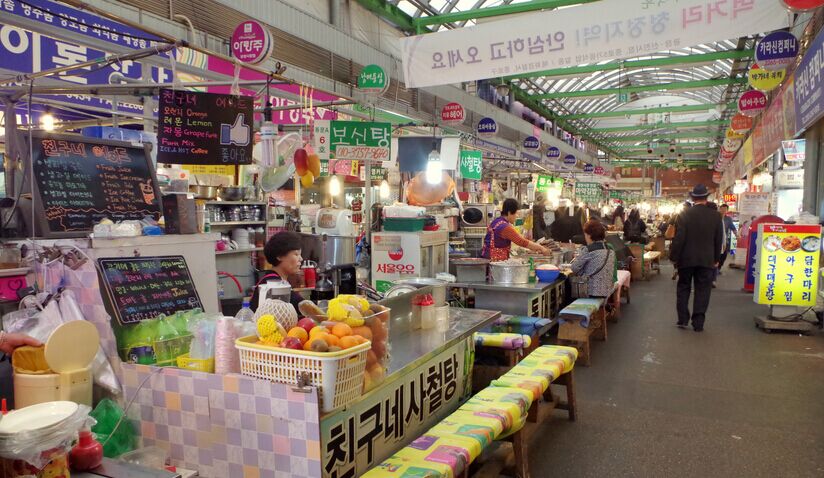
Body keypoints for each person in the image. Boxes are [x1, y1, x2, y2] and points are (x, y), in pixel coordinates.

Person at [669, 184, 723, 332]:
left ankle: (683, 319)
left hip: (686, 259)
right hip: (707, 259)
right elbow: (718, 239)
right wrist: (716, 259)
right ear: (706, 198)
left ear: (693, 198)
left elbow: (679, 238)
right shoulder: (716, 216)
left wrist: (674, 256)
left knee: (683, 287)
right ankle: (698, 323)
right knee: (703, 290)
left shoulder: (684, 214)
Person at [251, 231, 305, 313]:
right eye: (296, 254)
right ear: (279, 256)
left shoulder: (279, 279)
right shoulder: (272, 283)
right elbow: (302, 306)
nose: (301, 259)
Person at [481, 198, 549, 261]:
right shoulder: (505, 227)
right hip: (494, 261)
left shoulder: (496, 221)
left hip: (488, 258)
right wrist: (542, 248)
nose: (517, 216)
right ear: (509, 213)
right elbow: (522, 241)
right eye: (516, 213)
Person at [570, 220, 616, 299]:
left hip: (591, 292)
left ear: (589, 235)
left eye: (585, 234)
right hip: (606, 291)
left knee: (568, 290)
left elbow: (574, 268)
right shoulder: (610, 249)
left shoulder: (589, 250)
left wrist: (581, 270)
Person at [718, 204, 737, 273]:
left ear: (727, 210)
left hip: (724, 240)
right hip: (716, 239)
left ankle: (719, 267)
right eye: (722, 209)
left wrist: (736, 234)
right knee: (717, 254)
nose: (723, 210)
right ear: (719, 209)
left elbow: (733, 227)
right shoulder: (715, 217)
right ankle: (714, 269)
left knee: (724, 254)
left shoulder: (728, 219)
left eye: (725, 209)